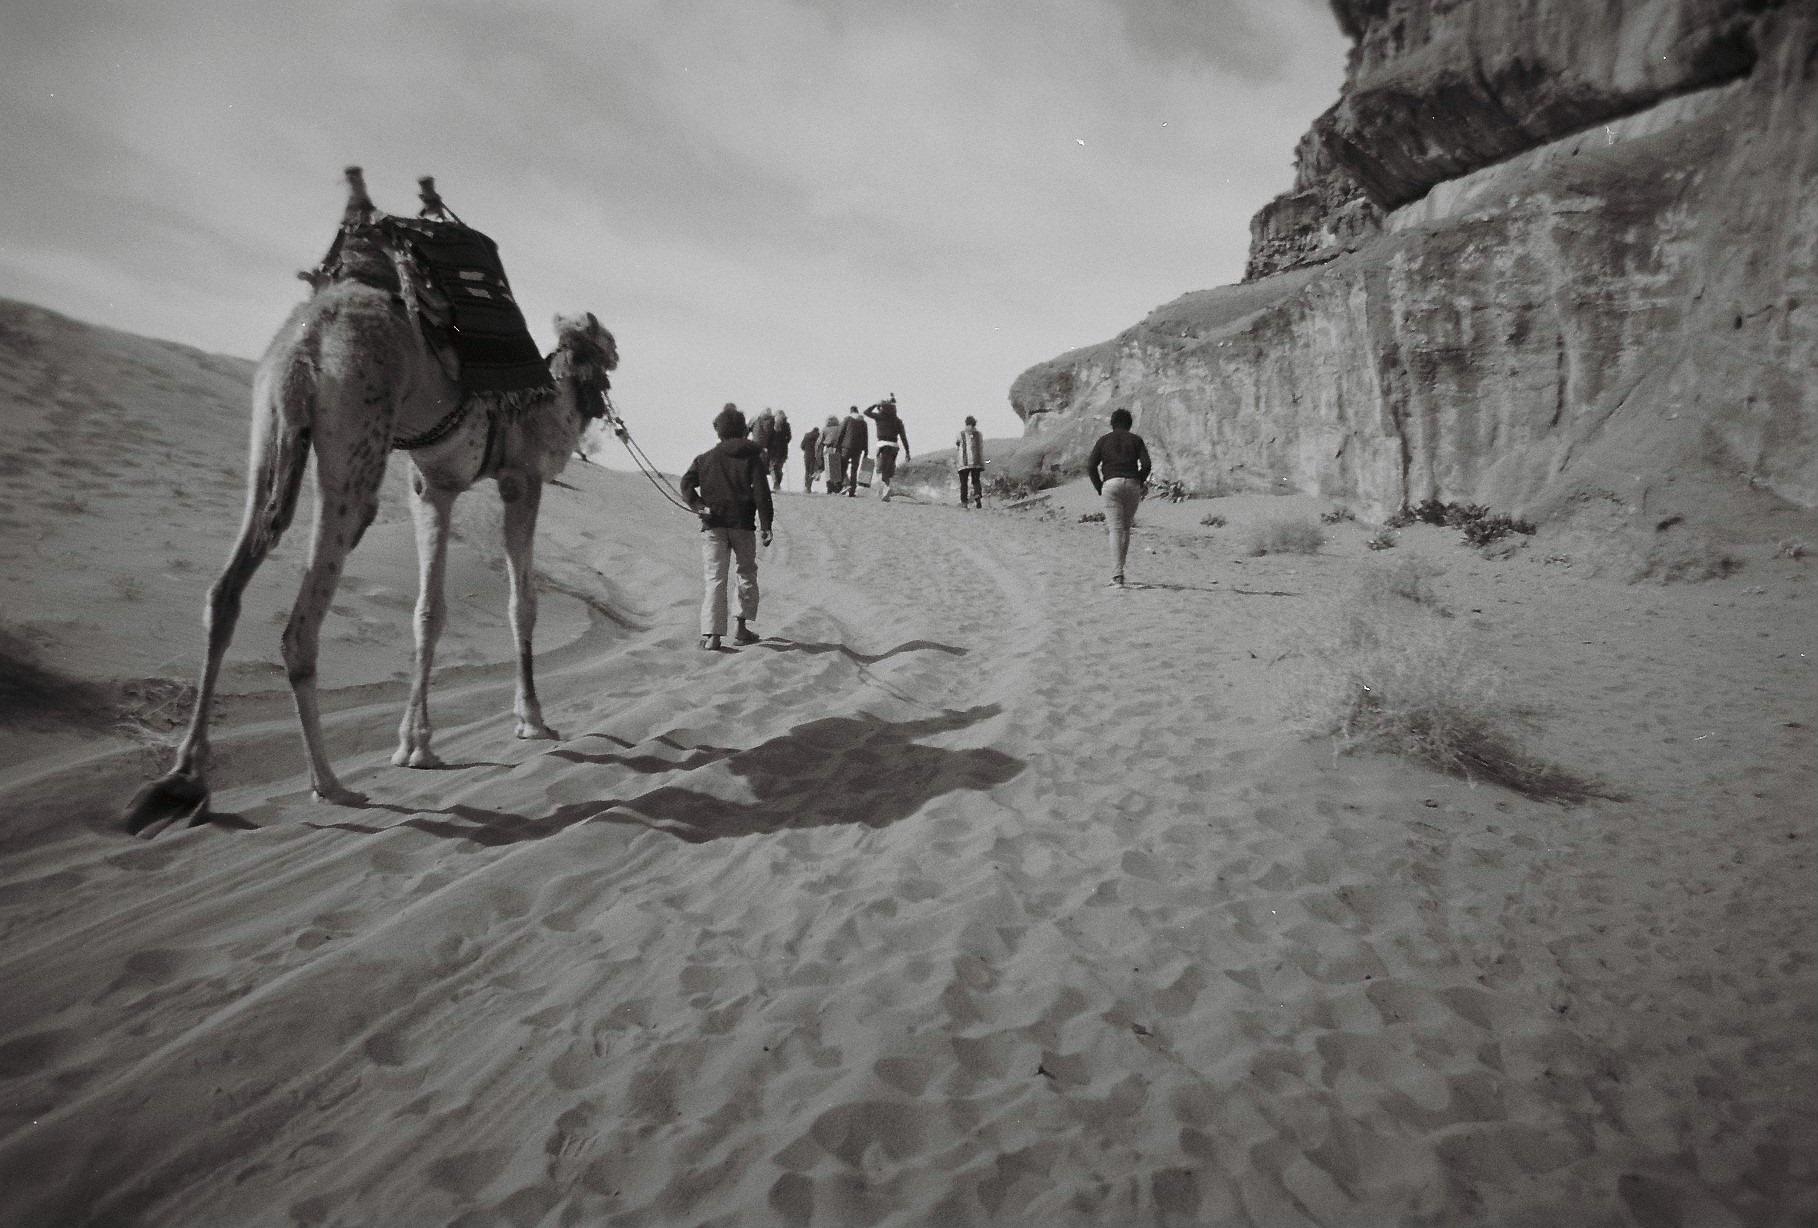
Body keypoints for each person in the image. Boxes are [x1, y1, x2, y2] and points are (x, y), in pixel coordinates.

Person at [680, 403, 774, 650]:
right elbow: (762, 493)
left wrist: (698, 506)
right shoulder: (752, 458)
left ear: (718, 431)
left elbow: (686, 483)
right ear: (743, 430)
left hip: (713, 526)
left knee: (715, 579)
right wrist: (766, 524)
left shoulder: (705, 459)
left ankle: (712, 635)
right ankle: (741, 629)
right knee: (746, 574)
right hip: (743, 526)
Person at [1086, 408, 1152, 588]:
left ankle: (1117, 576)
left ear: (1112, 423)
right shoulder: (1136, 440)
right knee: (1125, 529)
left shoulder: (1103, 440)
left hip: (1110, 484)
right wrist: (1139, 479)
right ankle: (1119, 571)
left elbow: (1091, 465)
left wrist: (1099, 486)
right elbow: (1147, 464)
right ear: (1129, 424)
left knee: (1115, 530)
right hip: (1132, 484)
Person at [864, 394, 911, 501]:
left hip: (883, 445)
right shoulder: (897, 420)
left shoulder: (879, 416)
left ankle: (885, 489)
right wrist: (907, 452)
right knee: (888, 471)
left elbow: (866, 412)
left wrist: (876, 404)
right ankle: (885, 494)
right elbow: (903, 437)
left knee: (880, 469)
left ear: (882, 407)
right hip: (894, 447)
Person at [835, 405, 868, 497]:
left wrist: (837, 446)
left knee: (842, 466)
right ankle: (852, 491)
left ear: (850, 412)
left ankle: (846, 484)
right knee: (854, 469)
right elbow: (866, 437)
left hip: (846, 447)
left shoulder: (847, 420)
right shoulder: (863, 422)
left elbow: (841, 433)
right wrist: (866, 450)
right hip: (858, 449)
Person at [955, 415, 985, 508]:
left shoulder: (960, 434)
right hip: (977, 462)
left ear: (966, 423)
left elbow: (958, 444)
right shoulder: (979, 434)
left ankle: (964, 502)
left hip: (964, 462)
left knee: (963, 482)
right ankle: (977, 496)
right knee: (976, 480)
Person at [766, 410, 792, 492]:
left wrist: (767, 445)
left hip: (773, 449)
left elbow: (769, 436)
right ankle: (777, 484)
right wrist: (785, 442)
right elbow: (789, 437)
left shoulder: (772, 424)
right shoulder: (786, 425)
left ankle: (775, 483)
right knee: (779, 468)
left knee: (772, 467)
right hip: (783, 450)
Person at [819, 414, 843, 493]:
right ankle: (838, 487)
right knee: (837, 469)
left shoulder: (825, 429)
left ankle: (830, 488)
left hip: (829, 449)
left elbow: (820, 442)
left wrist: (818, 454)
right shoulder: (840, 428)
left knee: (828, 469)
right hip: (839, 449)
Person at [800, 421, 822, 493]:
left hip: (807, 456)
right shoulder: (819, 436)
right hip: (815, 456)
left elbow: (802, 446)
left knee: (807, 471)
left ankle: (806, 487)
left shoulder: (807, 435)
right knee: (812, 471)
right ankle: (809, 487)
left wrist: (806, 450)